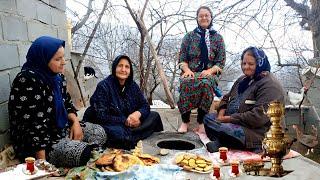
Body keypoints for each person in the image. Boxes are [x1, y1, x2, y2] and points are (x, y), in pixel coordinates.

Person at [8, 36, 106, 167]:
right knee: (81, 154)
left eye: (63, 57)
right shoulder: (27, 80)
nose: (64, 62)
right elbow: (34, 127)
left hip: (60, 130)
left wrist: (75, 123)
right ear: (43, 59)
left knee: (99, 132)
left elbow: (67, 104)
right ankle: (70, 148)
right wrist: (42, 165)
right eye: (57, 59)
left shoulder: (57, 77)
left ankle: (72, 144)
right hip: (39, 144)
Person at [204, 46, 285, 153]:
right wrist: (221, 115)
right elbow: (226, 98)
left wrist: (228, 119)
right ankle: (226, 141)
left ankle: (227, 142)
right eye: (244, 63)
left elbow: (258, 118)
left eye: (251, 64)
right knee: (208, 118)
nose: (246, 67)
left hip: (259, 130)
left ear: (260, 64)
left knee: (226, 130)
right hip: (236, 122)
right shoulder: (242, 80)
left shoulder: (270, 86)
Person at [83, 55, 163, 150]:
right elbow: (101, 116)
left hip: (129, 123)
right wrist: (127, 121)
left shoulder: (132, 86)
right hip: (109, 124)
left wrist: (137, 114)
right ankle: (132, 136)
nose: (123, 69)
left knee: (155, 116)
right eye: (120, 66)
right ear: (114, 68)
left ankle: (132, 136)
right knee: (120, 133)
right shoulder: (104, 86)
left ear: (130, 71)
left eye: (127, 67)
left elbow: (145, 105)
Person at [177, 6, 226, 133]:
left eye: (206, 15)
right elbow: (182, 59)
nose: (204, 18)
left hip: (209, 74)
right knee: (186, 82)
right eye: (201, 16)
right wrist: (187, 70)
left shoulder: (218, 38)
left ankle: (201, 122)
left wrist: (209, 71)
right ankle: (185, 121)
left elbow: (220, 62)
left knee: (205, 83)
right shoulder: (189, 37)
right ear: (197, 18)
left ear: (211, 18)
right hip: (191, 72)